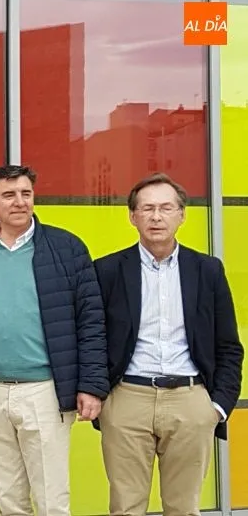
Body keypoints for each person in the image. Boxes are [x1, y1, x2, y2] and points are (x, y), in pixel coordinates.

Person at [0, 165, 109, 516]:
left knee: (52, 501)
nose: (19, 202)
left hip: (45, 391)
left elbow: (91, 320)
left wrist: (91, 385)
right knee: (8, 502)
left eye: (26, 193)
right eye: (9, 195)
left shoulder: (67, 249)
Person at [93, 173, 244, 516]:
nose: (156, 217)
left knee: (184, 508)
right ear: (133, 216)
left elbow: (228, 345)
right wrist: (103, 398)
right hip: (127, 399)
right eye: (147, 209)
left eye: (165, 208)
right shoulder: (107, 270)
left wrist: (217, 407)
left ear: (182, 215)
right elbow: (93, 339)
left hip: (190, 401)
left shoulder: (207, 270)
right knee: (125, 508)